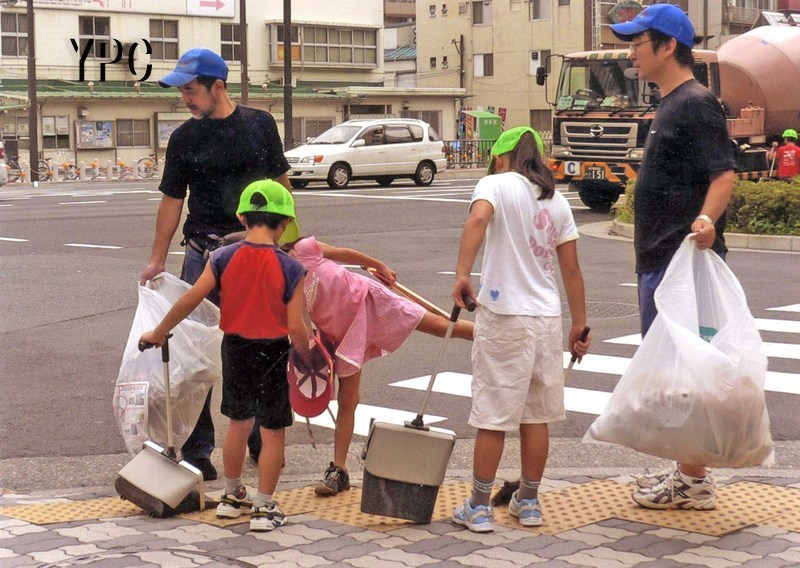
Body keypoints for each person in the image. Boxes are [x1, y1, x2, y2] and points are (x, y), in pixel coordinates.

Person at [140, 48, 292, 479]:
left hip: (257, 253)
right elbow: (172, 201)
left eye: (191, 90)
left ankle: (262, 439)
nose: (185, 99)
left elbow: (281, 186)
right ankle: (198, 447)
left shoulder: (260, 125)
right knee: (194, 354)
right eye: (182, 92)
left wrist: (288, 242)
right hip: (203, 252)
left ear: (217, 86)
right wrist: (156, 259)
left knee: (263, 345)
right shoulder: (184, 138)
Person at [610, 4, 738, 510]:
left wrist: (705, 220)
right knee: (672, 377)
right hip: (661, 259)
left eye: (637, 44)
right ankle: (688, 473)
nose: (631, 55)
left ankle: (694, 480)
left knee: (682, 378)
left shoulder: (696, 103)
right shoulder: (671, 104)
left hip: (678, 263)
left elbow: (723, 173)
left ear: (667, 47)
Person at [139, 180, 312, 532]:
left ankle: (232, 496)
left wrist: (159, 332)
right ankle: (264, 506)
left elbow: (191, 298)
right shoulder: (292, 268)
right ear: (284, 223)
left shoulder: (222, 257)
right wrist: (309, 354)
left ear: (242, 218)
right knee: (273, 431)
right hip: (273, 351)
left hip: (234, 348)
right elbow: (296, 325)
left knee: (238, 422)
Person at [450, 126, 590, 533]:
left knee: (493, 414)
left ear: (501, 157)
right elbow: (571, 269)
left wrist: (462, 274)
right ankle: (528, 501)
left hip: (504, 314)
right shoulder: (555, 199)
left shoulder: (495, 184)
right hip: (545, 319)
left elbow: (478, 218)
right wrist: (579, 323)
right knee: (536, 416)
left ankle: (479, 506)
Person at [280, 236, 475, 496]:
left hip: (368, 300)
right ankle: (339, 470)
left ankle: (486, 334)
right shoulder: (280, 286)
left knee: (438, 326)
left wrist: (378, 265)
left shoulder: (304, 249)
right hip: (344, 334)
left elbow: (342, 253)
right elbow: (299, 327)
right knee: (347, 400)